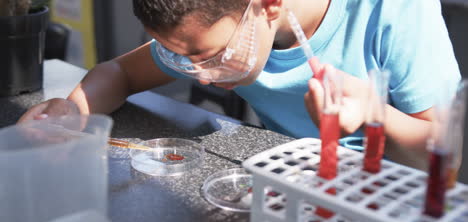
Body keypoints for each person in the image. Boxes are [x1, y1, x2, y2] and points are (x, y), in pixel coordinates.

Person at [18, 0, 460, 168]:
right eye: (180, 57)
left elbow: (449, 148)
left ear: (268, 7)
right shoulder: (213, 27)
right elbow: (121, 73)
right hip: (292, 187)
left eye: (210, 56)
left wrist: (373, 112)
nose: (202, 76)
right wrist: (72, 111)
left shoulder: (395, 12)